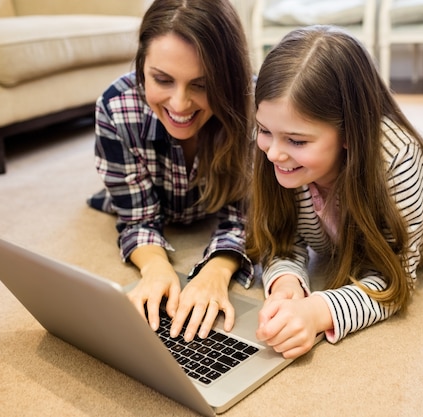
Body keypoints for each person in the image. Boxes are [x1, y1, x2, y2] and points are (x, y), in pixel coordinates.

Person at [246, 25, 423, 359]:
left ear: (349, 132)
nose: (273, 154)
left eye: (296, 140)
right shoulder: (279, 149)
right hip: (416, 156)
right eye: (264, 130)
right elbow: (281, 240)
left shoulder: (401, 160)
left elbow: (396, 279)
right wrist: (286, 284)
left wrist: (317, 311)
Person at [87, 0, 254, 342]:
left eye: (202, 85)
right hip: (147, 200)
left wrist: (219, 268)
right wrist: (155, 266)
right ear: (141, 67)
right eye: (162, 79)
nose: (179, 105)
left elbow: (248, 217)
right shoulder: (117, 107)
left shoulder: (257, 111)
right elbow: (137, 218)